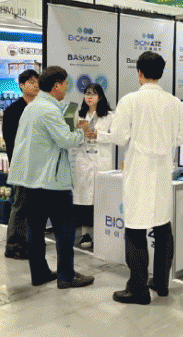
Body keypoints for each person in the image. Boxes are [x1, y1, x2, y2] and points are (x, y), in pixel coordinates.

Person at [7, 66, 96, 289]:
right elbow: (66, 140)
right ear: (56, 85)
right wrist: (82, 131)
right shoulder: (48, 110)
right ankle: (66, 276)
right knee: (65, 229)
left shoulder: (32, 107)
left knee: (35, 230)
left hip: (32, 180)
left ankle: (39, 273)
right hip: (52, 181)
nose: (66, 88)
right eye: (65, 84)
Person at [110, 51, 183, 305]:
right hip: (162, 171)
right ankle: (162, 283)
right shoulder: (174, 102)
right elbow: (180, 138)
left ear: (139, 73)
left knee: (135, 229)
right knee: (163, 227)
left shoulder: (130, 101)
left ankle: (138, 288)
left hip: (139, 171)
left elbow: (118, 137)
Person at [69, 82, 114, 248]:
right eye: (87, 93)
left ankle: (101, 234)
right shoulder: (79, 115)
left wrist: (98, 135)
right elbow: (71, 136)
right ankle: (85, 234)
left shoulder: (109, 116)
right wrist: (80, 134)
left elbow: (116, 137)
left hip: (101, 162)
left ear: (100, 97)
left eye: (93, 94)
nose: (89, 97)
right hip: (83, 161)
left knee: (100, 199)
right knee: (83, 200)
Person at [2, 69, 40, 260]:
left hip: (39, 164)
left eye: (37, 81)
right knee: (21, 204)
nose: (35, 85)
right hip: (22, 165)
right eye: (30, 82)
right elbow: (10, 141)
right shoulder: (13, 110)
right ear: (22, 85)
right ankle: (14, 245)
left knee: (34, 206)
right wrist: (16, 165)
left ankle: (28, 242)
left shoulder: (40, 107)